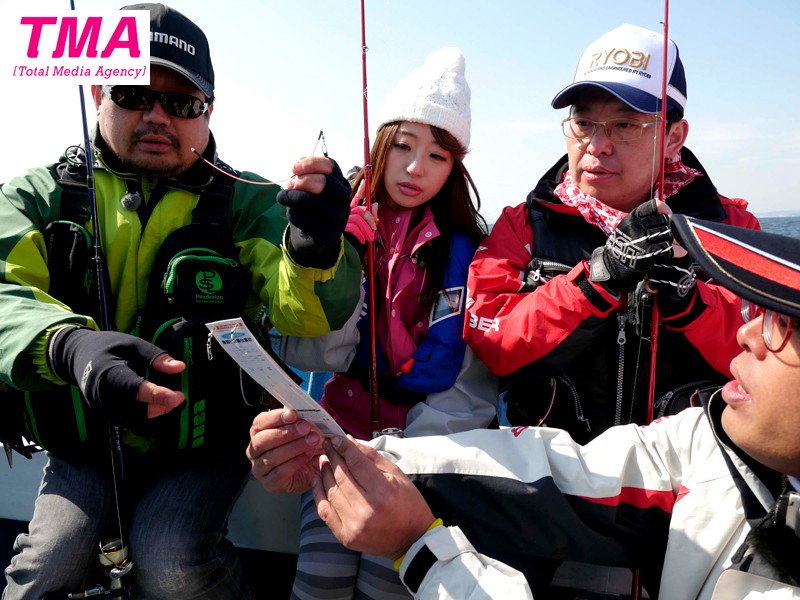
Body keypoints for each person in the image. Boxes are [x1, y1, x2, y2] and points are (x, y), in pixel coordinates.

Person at [0, 4, 360, 599]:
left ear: (208, 111)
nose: (158, 115)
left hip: (205, 444)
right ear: (97, 92)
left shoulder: (251, 203)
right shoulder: (40, 196)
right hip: (86, 444)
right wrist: (66, 346)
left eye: (183, 102)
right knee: (46, 565)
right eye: (135, 94)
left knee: (172, 562)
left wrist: (316, 250)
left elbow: (307, 313)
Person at [248, 214, 800, 598]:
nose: (748, 332)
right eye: (585, 121)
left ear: (673, 133)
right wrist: (348, 450)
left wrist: (419, 546)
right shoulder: (716, 451)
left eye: (784, 321)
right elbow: (554, 461)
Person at [464, 23, 760, 444]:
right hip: (554, 476)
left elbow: (768, 354)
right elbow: (492, 344)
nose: (597, 144)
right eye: (584, 123)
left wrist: (691, 302)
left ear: (674, 136)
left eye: (625, 125)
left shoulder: (732, 230)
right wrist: (595, 280)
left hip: (688, 479)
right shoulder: (522, 225)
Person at [279, 46, 497, 599]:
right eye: (402, 145)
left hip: (418, 464)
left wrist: (402, 462)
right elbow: (308, 355)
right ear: (380, 145)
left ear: (455, 168)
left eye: (439, 156)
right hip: (334, 444)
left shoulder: (470, 257)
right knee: (318, 581)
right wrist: (319, 257)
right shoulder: (340, 230)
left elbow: (469, 392)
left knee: (387, 585)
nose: (416, 168)